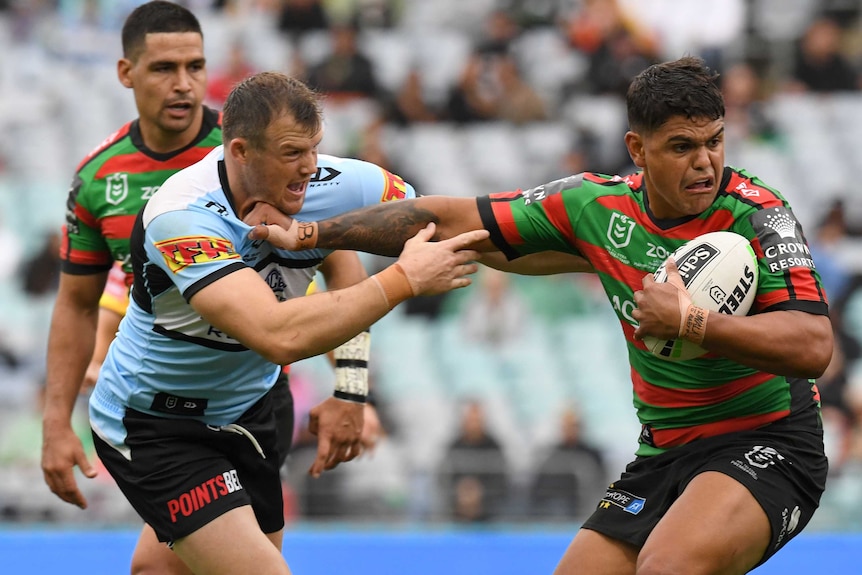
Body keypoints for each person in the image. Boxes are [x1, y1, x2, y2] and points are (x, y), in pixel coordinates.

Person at [250, 56, 833, 574]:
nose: (705, 163)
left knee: (669, 566)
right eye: (682, 146)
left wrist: (691, 321)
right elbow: (449, 219)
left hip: (770, 442)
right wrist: (308, 233)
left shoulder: (759, 216)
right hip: (664, 451)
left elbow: (813, 346)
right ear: (638, 149)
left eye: (715, 142)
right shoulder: (594, 206)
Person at [88, 70, 485, 575]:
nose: (309, 168)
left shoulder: (338, 183)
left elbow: (409, 231)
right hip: (157, 425)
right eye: (292, 152)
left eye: (315, 148)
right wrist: (404, 279)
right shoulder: (182, 216)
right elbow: (278, 334)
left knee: (160, 569)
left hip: (253, 410)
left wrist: (350, 386)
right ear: (240, 152)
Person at [42, 3, 224, 573]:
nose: (184, 84)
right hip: (161, 410)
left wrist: (351, 384)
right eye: (164, 68)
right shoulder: (99, 177)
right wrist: (55, 424)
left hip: (243, 404)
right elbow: (75, 303)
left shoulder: (243, 154)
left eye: (195, 67)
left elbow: (337, 253)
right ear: (126, 73)